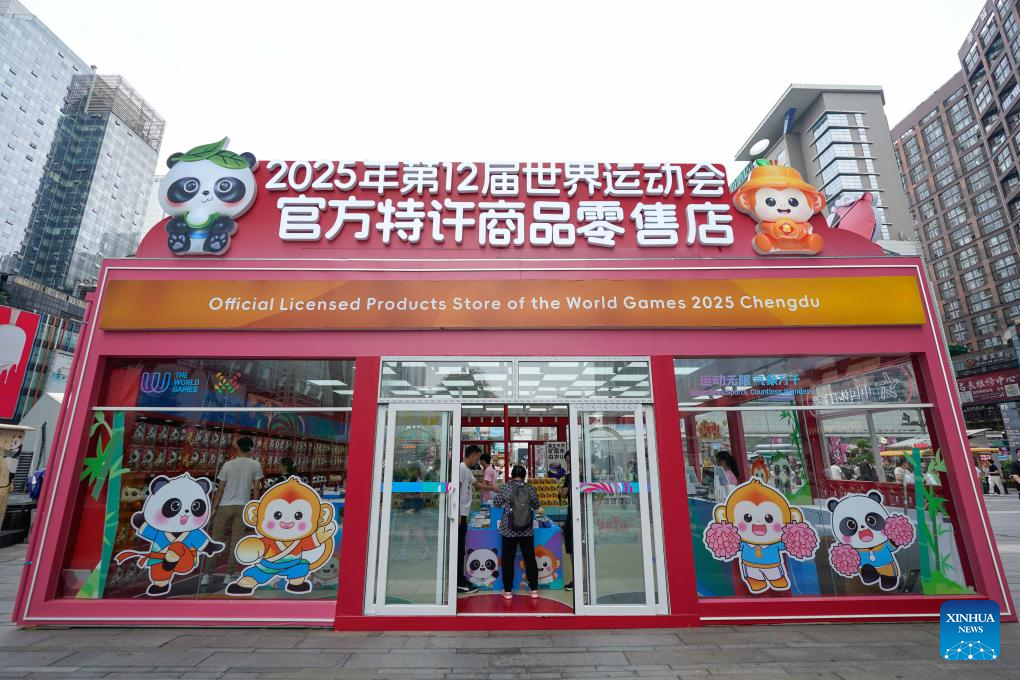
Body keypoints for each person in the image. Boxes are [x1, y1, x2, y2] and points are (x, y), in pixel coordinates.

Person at [202, 436, 263, 586]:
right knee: (236, 540)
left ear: (238, 448)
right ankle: (229, 575)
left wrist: (214, 506)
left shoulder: (227, 465)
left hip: (224, 505)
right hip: (243, 505)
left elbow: (220, 488)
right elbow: (256, 488)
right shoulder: (256, 465)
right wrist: (254, 506)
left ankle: (207, 574)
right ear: (251, 448)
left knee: (216, 539)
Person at [491, 464, 542, 599]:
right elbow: (537, 506)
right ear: (524, 476)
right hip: (527, 530)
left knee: (508, 559)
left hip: (509, 530)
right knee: (529, 558)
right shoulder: (531, 488)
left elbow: (496, 503)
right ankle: (534, 590)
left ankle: (508, 591)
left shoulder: (505, 487)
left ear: (511, 475)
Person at [457, 445, 498, 594]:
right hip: (459, 514)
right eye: (477, 457)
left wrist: (492, 488)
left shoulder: (467, 470)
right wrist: (457, 513)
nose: (478, 461)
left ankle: (461, 578)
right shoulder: (461, 468)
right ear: (472, 455)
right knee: (459, 548)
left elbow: (477, 484)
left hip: (463, 513)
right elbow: (456, 489)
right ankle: (458, 581)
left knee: (461, 547)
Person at [560, 454, 574, 591]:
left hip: (584, 513)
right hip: (571, 513)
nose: (568, 463)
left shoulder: (587, 475)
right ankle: (577, 579)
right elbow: (564, 495)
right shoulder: (569, 476)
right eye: (567, 461)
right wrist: (563, 493)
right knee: (570, 547)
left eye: (570, 460)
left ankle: (584, 579)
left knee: (583, 549)